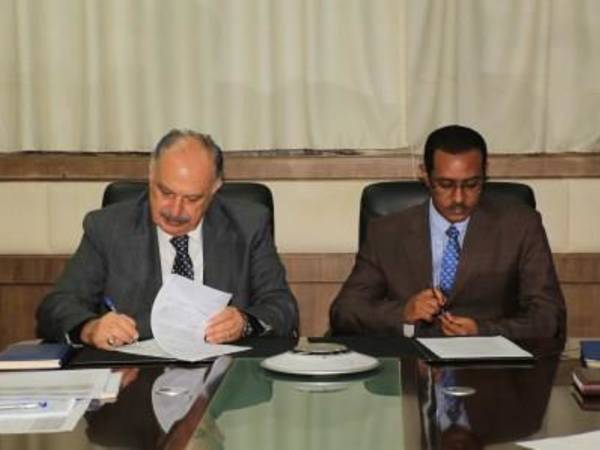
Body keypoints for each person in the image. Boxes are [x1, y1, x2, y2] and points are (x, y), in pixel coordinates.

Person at [36, 129, 298, 349]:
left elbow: (282, 308)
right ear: (151, 177)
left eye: (192, 199)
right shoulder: (108, 228)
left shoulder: (248, 225)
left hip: (222, 378)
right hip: (134, 379)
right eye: (165, 192)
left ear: (215, 189)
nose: (175, 210)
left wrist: (245, 323)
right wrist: (89, 328)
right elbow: (56, 307)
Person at [330, 124, 566, 338]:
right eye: (446, 184)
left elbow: (549, 317)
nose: (459, 199)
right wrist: (403, 313)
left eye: (471, 184)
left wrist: (483, 331)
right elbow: (345, 311)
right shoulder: (387, 232)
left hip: (492, 371)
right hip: (411, 368)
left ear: (485, 173)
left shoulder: (520, 226)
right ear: (425, 175)